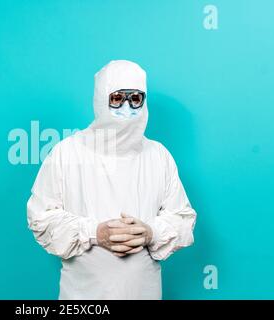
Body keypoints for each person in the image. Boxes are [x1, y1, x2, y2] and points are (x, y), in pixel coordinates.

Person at [26, 60, 197, 299]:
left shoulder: (159, 156)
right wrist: (94, 232)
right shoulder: (68, 153)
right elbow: (41, 218)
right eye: (117, 98)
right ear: (100, 99)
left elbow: (182, 219)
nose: (127, 107)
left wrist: (150, 233)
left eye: (135, 98)